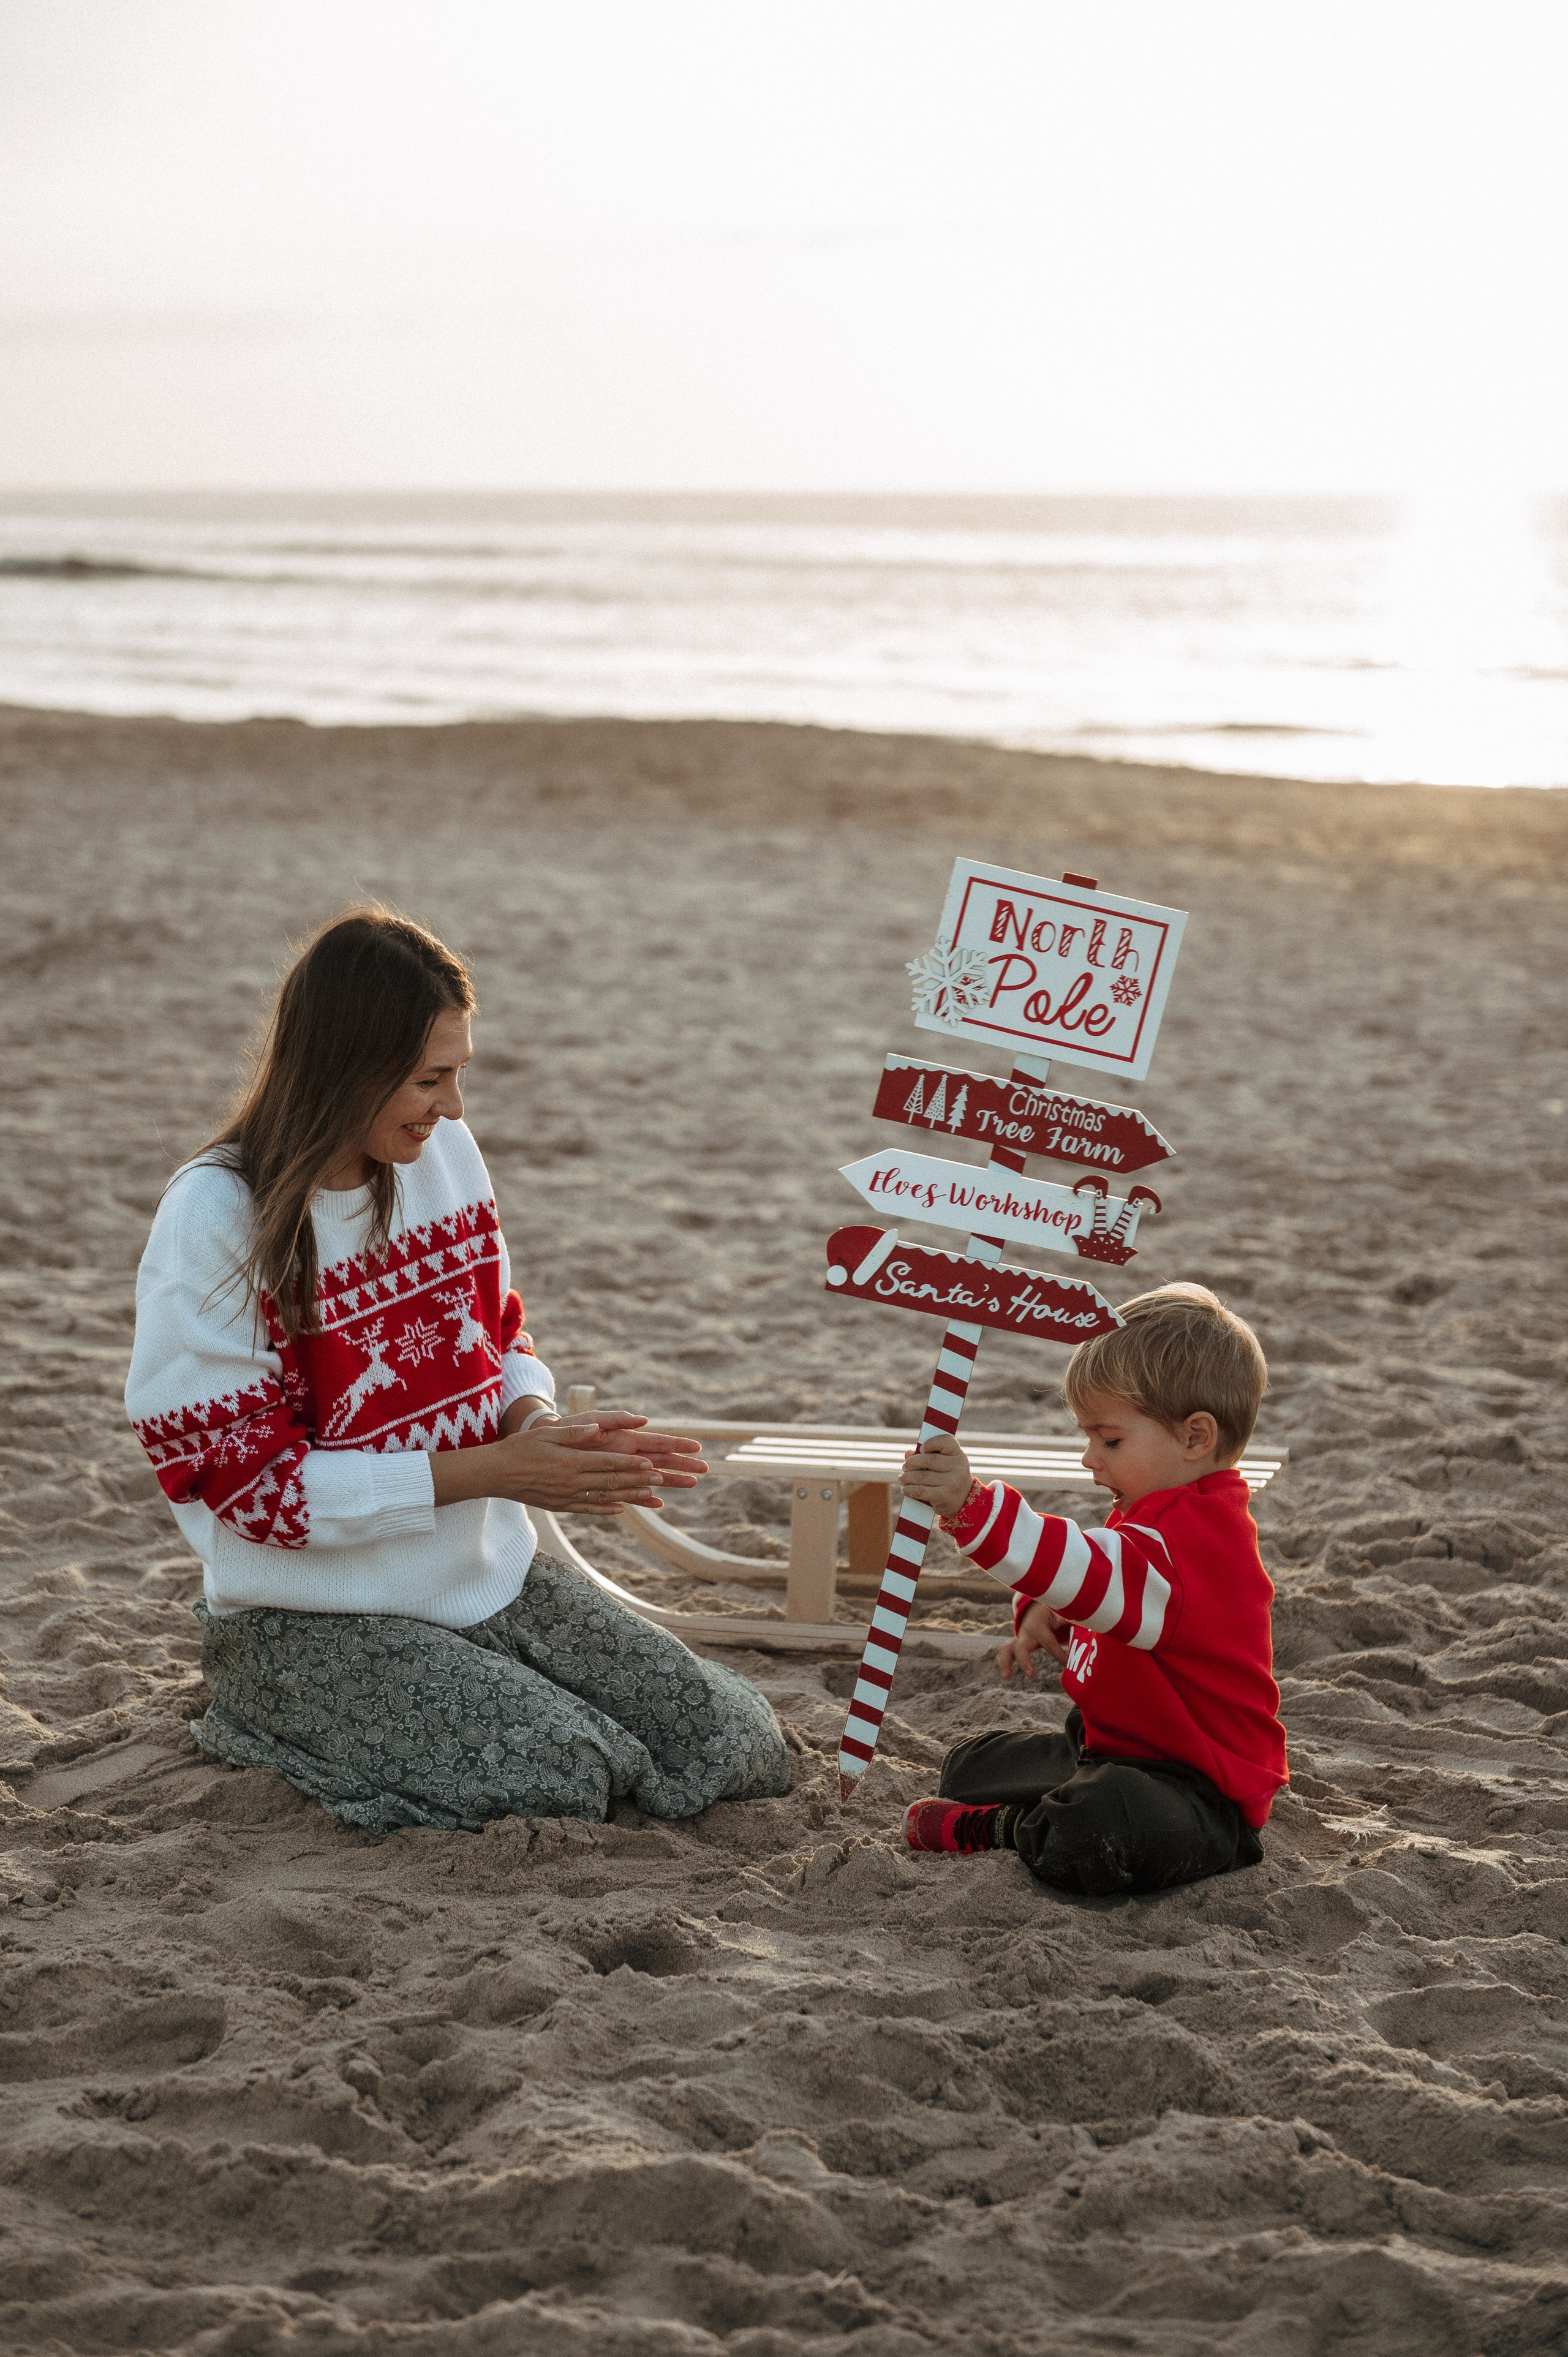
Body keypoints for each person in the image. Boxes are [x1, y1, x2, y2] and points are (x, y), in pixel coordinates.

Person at [125, 906, 790, 1836]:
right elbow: (255, 1492)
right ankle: (256, 1712)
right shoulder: (214, 1218)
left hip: (484, 1582)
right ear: (344, 1066)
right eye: (429, 1079)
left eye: (459, 1075)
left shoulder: (443, 1157)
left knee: (733, 1743)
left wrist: (533, 1425)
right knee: (559, 1777)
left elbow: (500, 1338)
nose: (455, 1108)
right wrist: (492, 1474)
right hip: (307, 1622)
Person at [897, 1283, 1285, 1896]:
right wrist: (1042, 1612)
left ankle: (1006, 1826)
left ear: (1194, 1437)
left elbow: (1086, 1568)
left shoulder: (1201, 1539)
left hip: (1196, 1789)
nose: (1089, 1458)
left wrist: (972, 1508)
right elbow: (1099, 1584)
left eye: (1109, 1439)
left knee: (1095, 1821)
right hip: (1112, 1742)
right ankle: (1048, 1789)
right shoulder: (1154, 1509)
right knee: (968, 1765)